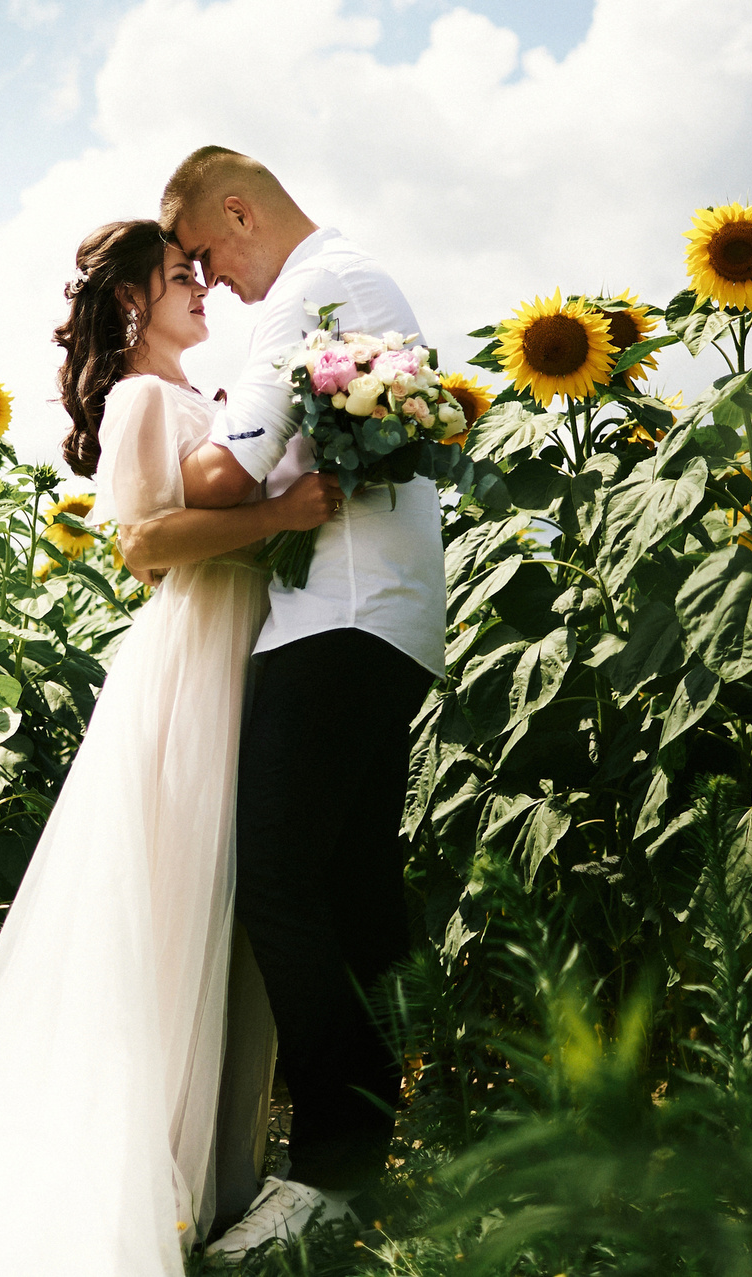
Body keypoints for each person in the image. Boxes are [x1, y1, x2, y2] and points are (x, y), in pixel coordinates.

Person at [0, 220, 340, 1276]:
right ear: (132, 302)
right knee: (179, 900)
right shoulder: (146, 397)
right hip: (192, 653)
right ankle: (155, 1187)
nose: (201, 290)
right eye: (179, 276)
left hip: (239, 644)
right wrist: (281, 513)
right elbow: (145, 547)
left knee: (221, 913)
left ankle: (197, 1185)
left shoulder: (207, 399)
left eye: (200, 272)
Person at [145, 146, 447, 1252]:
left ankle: (330, 1165)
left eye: (206, 255)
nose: (212, 283)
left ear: (238, 209)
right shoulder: (360, 277)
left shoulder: (317, 289)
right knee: (350, 880)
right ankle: (374, 1153)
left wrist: (150, 435)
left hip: (341, 615)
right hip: (384, 614)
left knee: (274, 874)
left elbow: (224, 474)